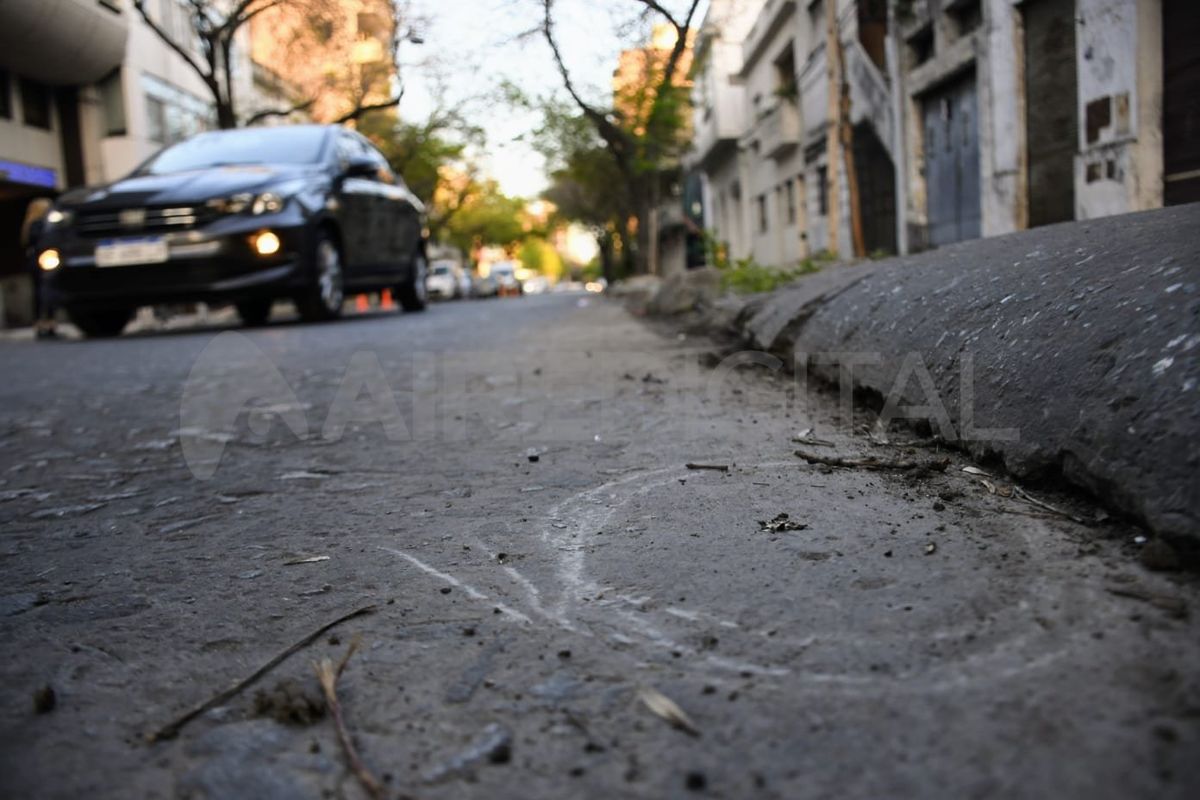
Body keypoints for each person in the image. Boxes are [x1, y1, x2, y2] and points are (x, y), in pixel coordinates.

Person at [20, 196, 57, 339]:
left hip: (35, 261)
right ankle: (48, 323)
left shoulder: (28, 225)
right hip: (45, 260)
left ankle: (40, 323)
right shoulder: (42, 224)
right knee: (47, 291)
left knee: (38, 293)